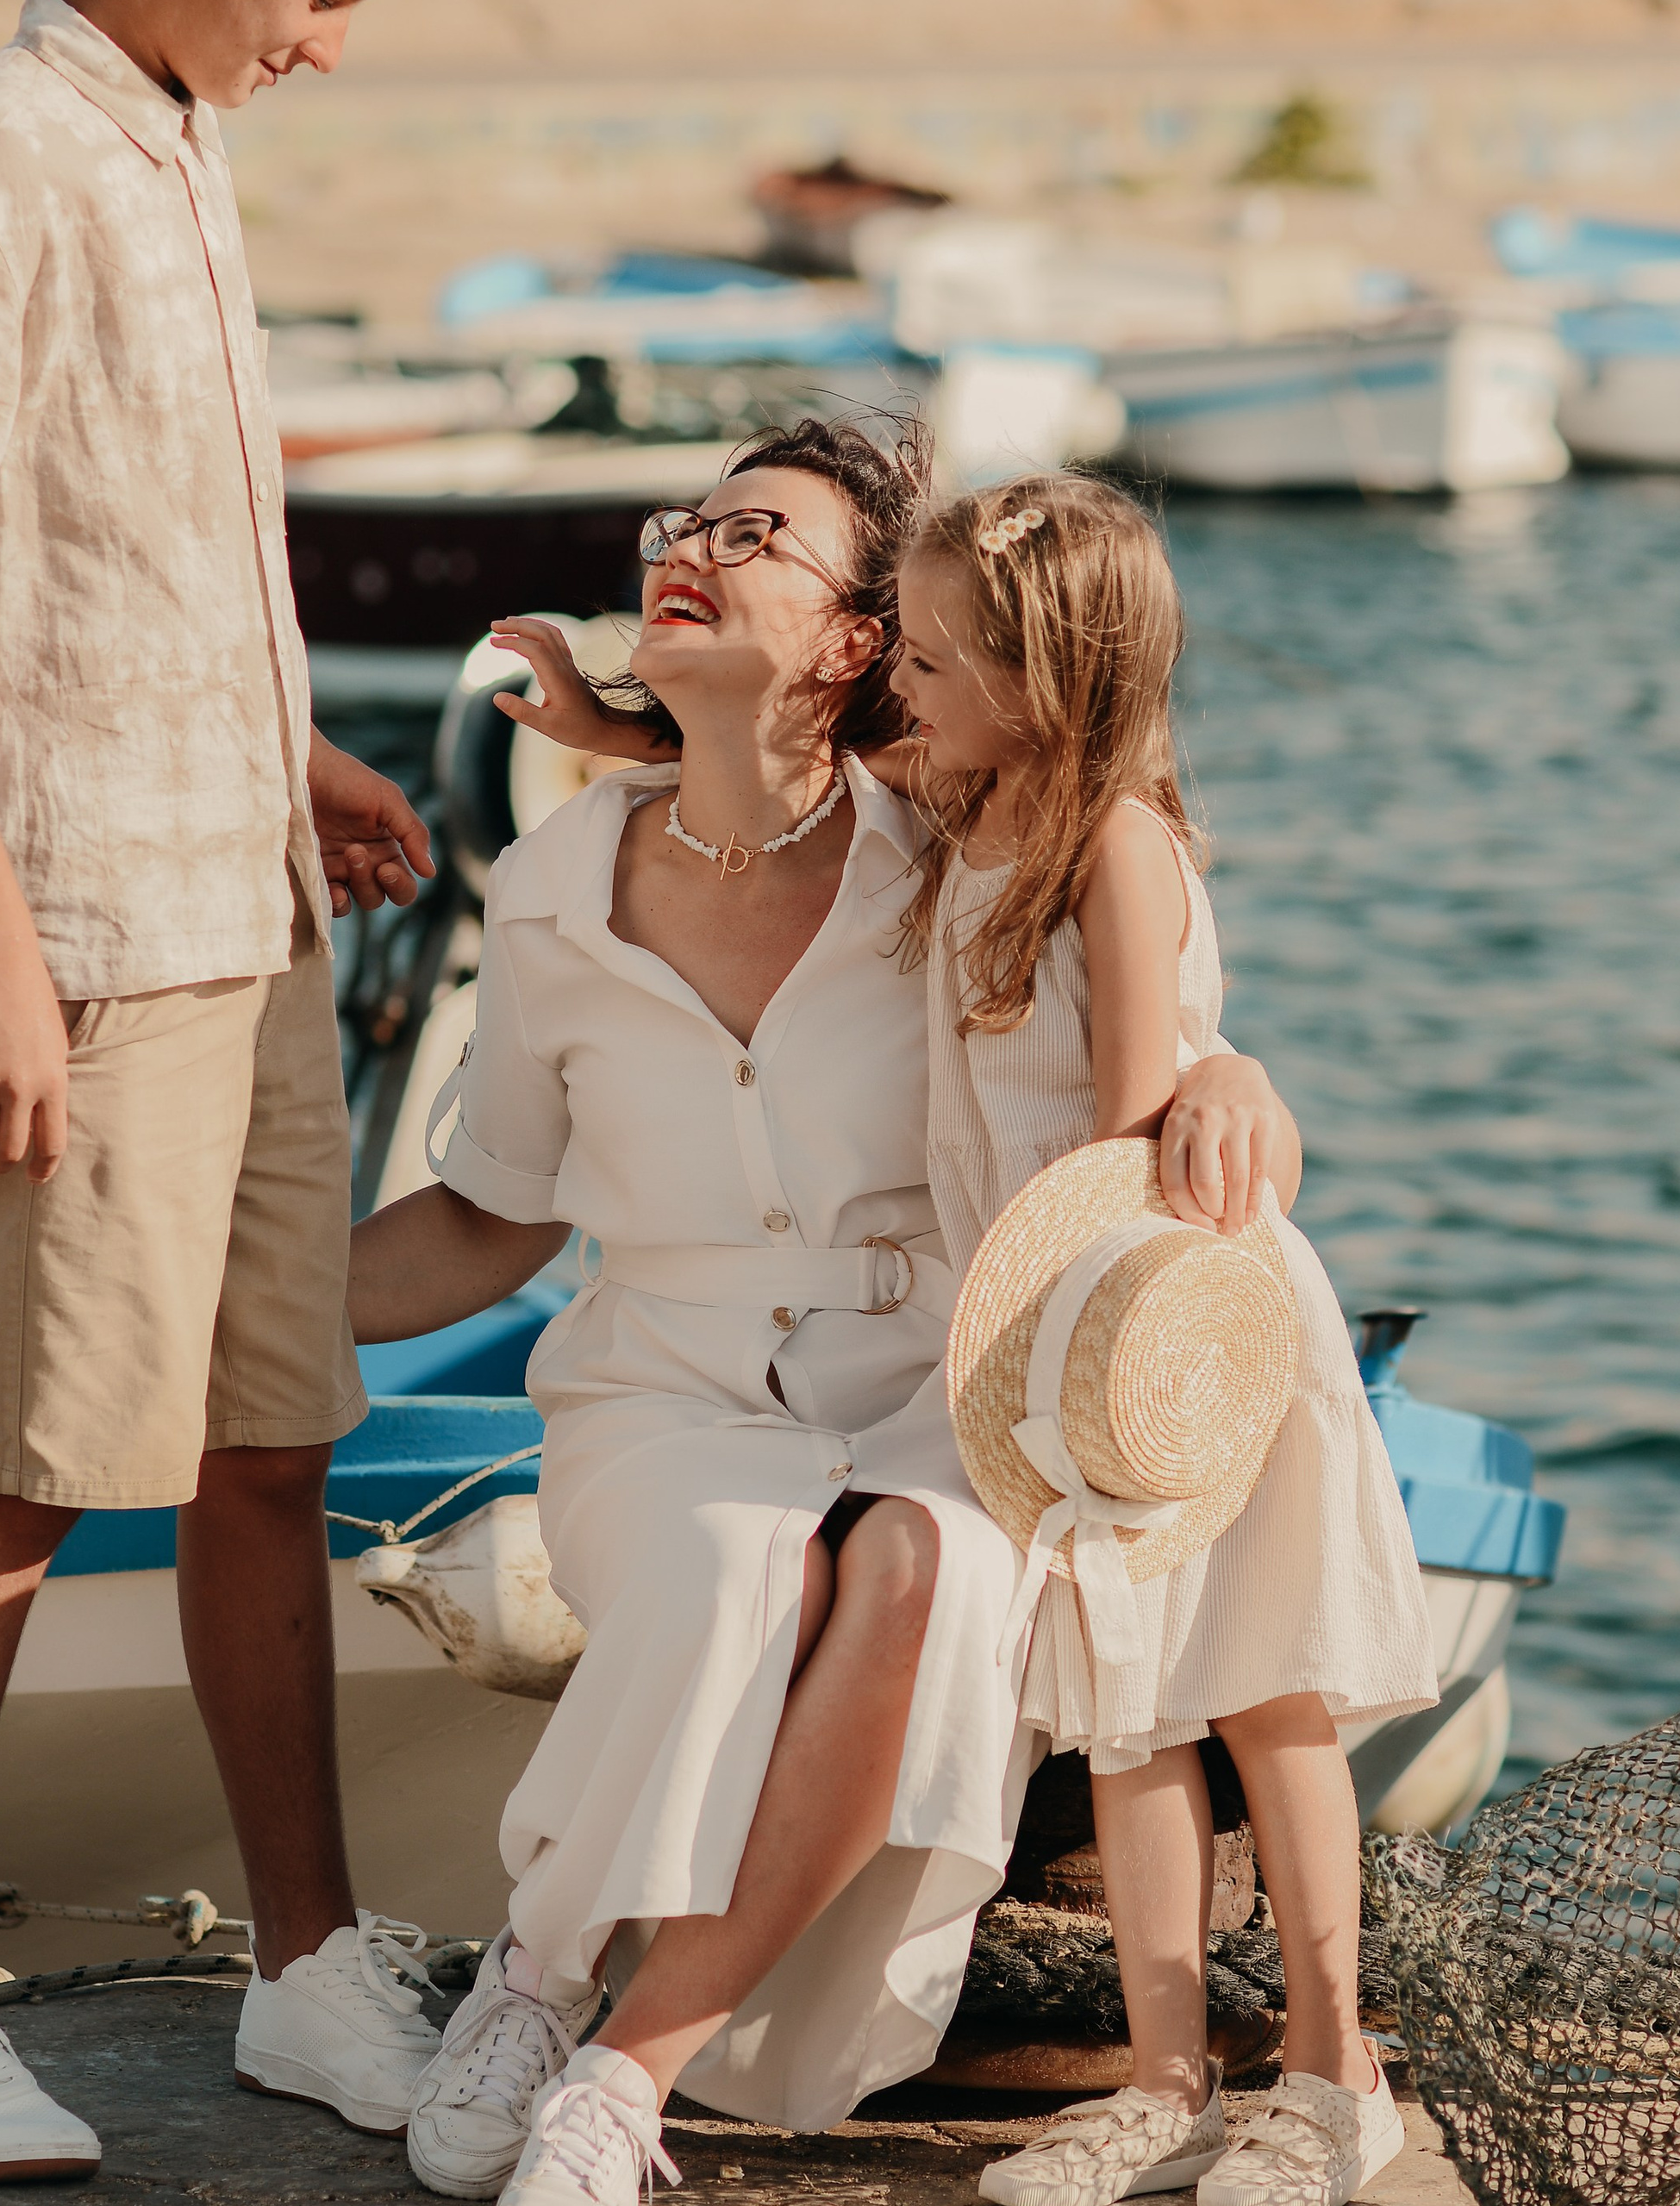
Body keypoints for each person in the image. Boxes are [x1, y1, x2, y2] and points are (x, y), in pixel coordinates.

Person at [344, 420, 1308, 2206]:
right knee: (734, 1558)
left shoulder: (938, 843)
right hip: (659, 1384)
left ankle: (622, 2070)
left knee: (929, 1565)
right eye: (682, 521)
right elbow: (487, 1214)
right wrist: (262, 1313)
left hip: (936, 1375)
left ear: (866, 638)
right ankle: (536, 1970)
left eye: (753, 532)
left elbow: (1123, 865)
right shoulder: (548, 887)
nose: (688, 544)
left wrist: (1224, 1062)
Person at [0, 0, 444, 2181]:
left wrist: (300, 763)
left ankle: (307, 1961)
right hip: (77, 935)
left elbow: (137, 551)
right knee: (21, 1458)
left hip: (233, 895)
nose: (331, 43)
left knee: (270, 1435)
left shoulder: (172, 135)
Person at [885, 473, 1439, 2206]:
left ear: (1043, 674)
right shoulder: (963, 793)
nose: (897, 679)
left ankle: (1337, 2073)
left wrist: (1224, 1066)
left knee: (1263, 1695)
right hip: (1055, 1344)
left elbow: (1132, 1115)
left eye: (931, 655)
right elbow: (804, 763)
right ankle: (1166, 2074)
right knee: (1124, 1721)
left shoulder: (1110, 838)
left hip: (1166, 1318)